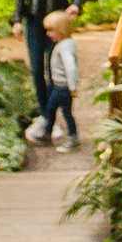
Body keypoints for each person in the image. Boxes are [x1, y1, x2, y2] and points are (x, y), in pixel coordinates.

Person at [17, 0, 80, 142]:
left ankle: (52, 118)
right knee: (36, 71)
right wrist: (17, 19)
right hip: (33, 22)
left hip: (55, 23)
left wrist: (75, 4)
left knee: (54, 70)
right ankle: (46, 117)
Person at [38, 8, 83, 151]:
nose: (48, 34)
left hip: (64, 87)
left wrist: (72, 86)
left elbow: (70, 67)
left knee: (66, 112)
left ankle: (73, 137)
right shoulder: (63, 44)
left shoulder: (65, 47)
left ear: (61, 30)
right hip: (58, 86)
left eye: (51, 30)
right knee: (50, 108)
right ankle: (47, 133)